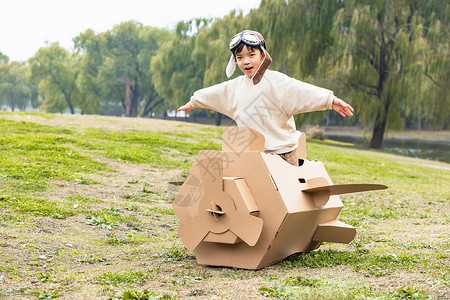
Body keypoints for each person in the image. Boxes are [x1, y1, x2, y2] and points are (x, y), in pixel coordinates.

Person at [178, 30, 354, 166]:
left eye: (251, 55)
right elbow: (214, 93)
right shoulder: (235, 87)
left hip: (284, 154)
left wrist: (330, 100)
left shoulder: (276, 81)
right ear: (235, 61)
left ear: (263, 55)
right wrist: (194, 101)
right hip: (252, 154)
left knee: (285, 199)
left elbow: (301, 91)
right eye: (240, 57)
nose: (246, 61)